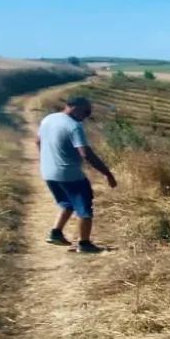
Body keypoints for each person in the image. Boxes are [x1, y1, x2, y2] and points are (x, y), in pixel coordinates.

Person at [36, 95, 117, 253]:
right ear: (74, 107)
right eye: (86, 112)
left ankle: (56, 233)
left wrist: (47, 160)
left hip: (48, 173)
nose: (87, 116)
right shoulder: (73, 126)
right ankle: (84, 244)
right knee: (84, 208)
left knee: (67, 204)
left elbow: (38, 141)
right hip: (70, 175)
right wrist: (107, 173)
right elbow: (85, 153)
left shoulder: (48, 119)